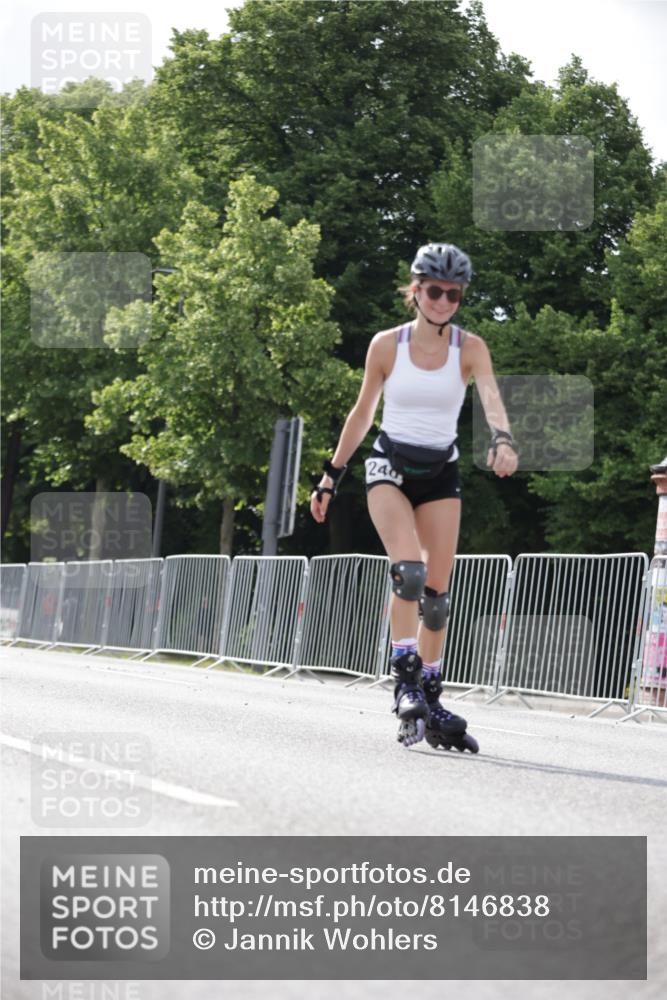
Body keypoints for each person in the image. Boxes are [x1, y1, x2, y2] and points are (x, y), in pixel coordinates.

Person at [310, 243, 518, 751]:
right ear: (416, 290)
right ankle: (404, 676)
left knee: (438, 598)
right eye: (434, 290)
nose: (444, 300)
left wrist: (503, 440)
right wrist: (331, 475)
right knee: (409, 572)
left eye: (453, 293)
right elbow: (362, 414)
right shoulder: (387, 345)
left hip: (439, 471)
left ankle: (430, 688)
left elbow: (491, 400)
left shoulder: (471, 349)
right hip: (390, 465)